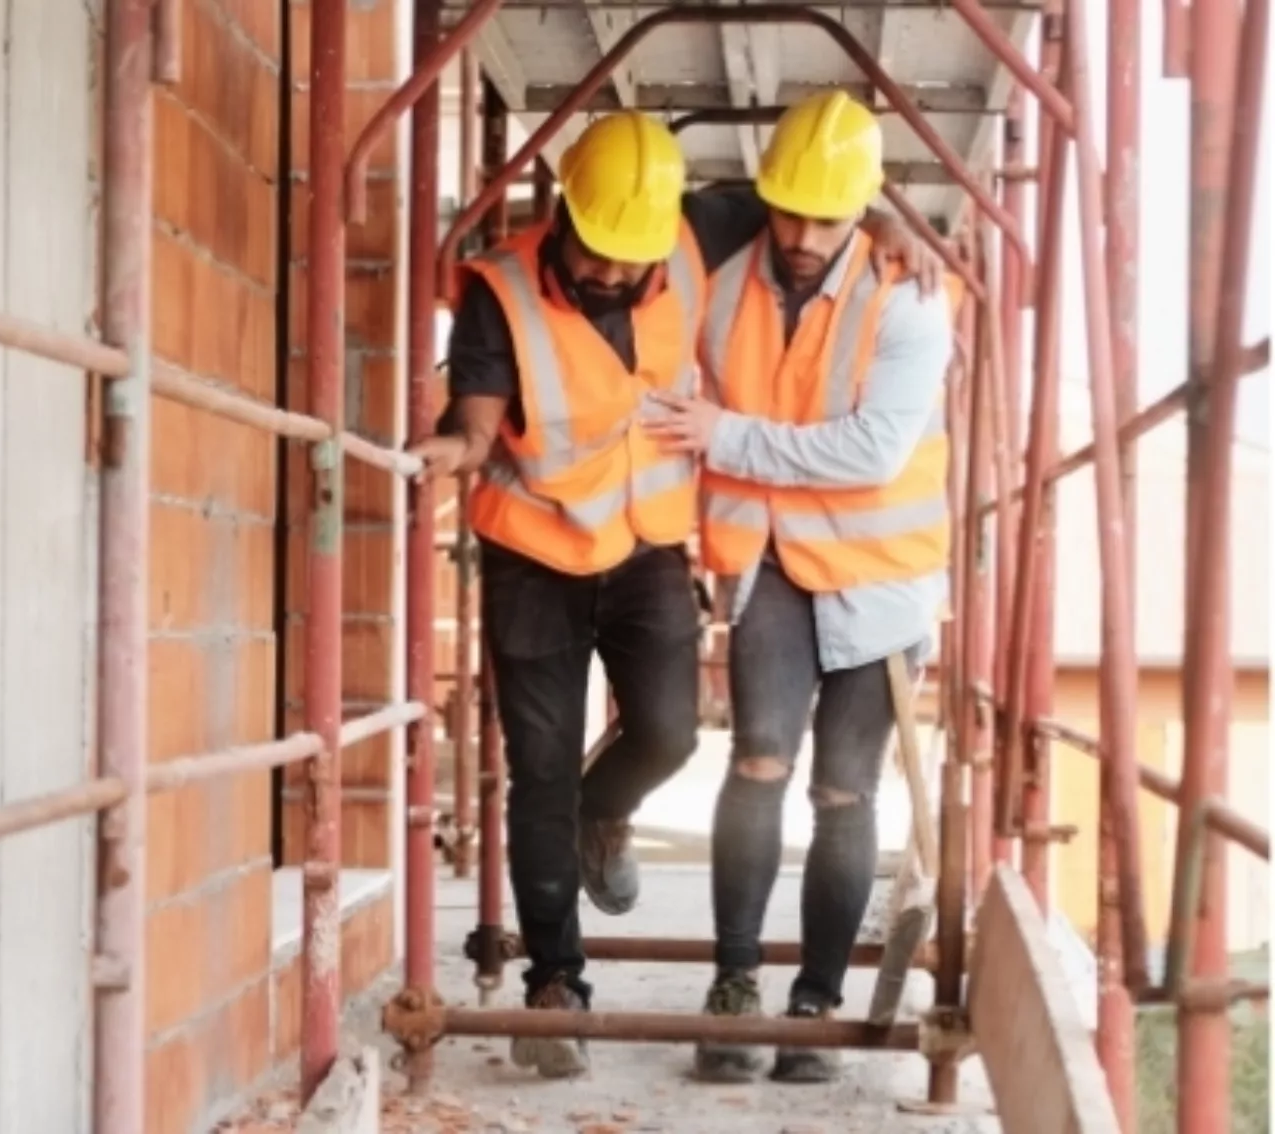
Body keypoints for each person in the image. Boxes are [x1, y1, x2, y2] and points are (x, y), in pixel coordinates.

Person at [408, 109, 942, 1081]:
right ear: (564, 210)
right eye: (599, 252)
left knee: (675, 736)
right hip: (535, 550)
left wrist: (897, 221)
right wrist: (459, 443)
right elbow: (478, 406)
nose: (616, 273)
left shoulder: (711, 234)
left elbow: (825, 209)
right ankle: (556, 989)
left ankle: (605, 818)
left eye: (634, 256)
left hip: (666, 547)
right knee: (540, 771)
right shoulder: (507, 288)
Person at [641, 89, 961, 1085]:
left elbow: (871, 449)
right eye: (789, 212)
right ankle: (734, 983)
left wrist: (723, 436)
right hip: (773, 557)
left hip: (880, 578)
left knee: (842, 789)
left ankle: (814, 1001)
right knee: (760, 764)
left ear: (866, 208)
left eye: (828, 218)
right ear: (763, 197)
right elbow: (640, 236)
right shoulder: (728, 257)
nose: (804, 235)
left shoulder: (908, 299)